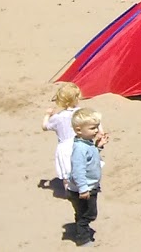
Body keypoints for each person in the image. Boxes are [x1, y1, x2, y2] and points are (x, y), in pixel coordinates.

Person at [67, 108, 104, 246]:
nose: (96, 131)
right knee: (89, 214)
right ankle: (83, 239)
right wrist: (83, 188)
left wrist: (98, 147)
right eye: (92, 128)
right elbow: (78, 171)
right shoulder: (80, 149)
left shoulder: (86, 144)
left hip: (90, 185)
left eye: (97, 127)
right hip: (83, 189)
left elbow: (91, 158)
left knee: (82, 212)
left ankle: (80, 228)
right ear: (78, 130)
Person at [43, 82, 82, 194]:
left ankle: (69, 193)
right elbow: (94, 121)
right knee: (81, 169)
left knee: (66, 175)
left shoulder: (58, 117)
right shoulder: (81, 113)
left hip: (65, 148)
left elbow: (45, 126)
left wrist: (47, 115)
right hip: (80, 144)